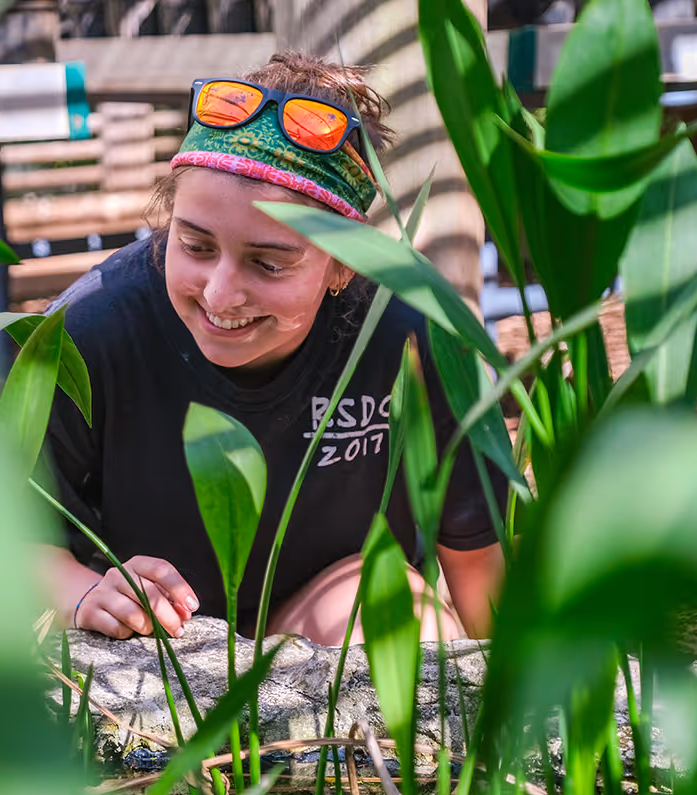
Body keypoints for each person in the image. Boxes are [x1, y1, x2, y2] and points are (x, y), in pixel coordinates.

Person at [37, 52, 506, 647]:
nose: (220, 293)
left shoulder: (412, 332)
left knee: (398, 617)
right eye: (196, 246)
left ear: (342, 265)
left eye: (268, 262)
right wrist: (85, 593)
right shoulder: (89, 330)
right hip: (152, 641)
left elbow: (475, 563)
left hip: (331, 613)